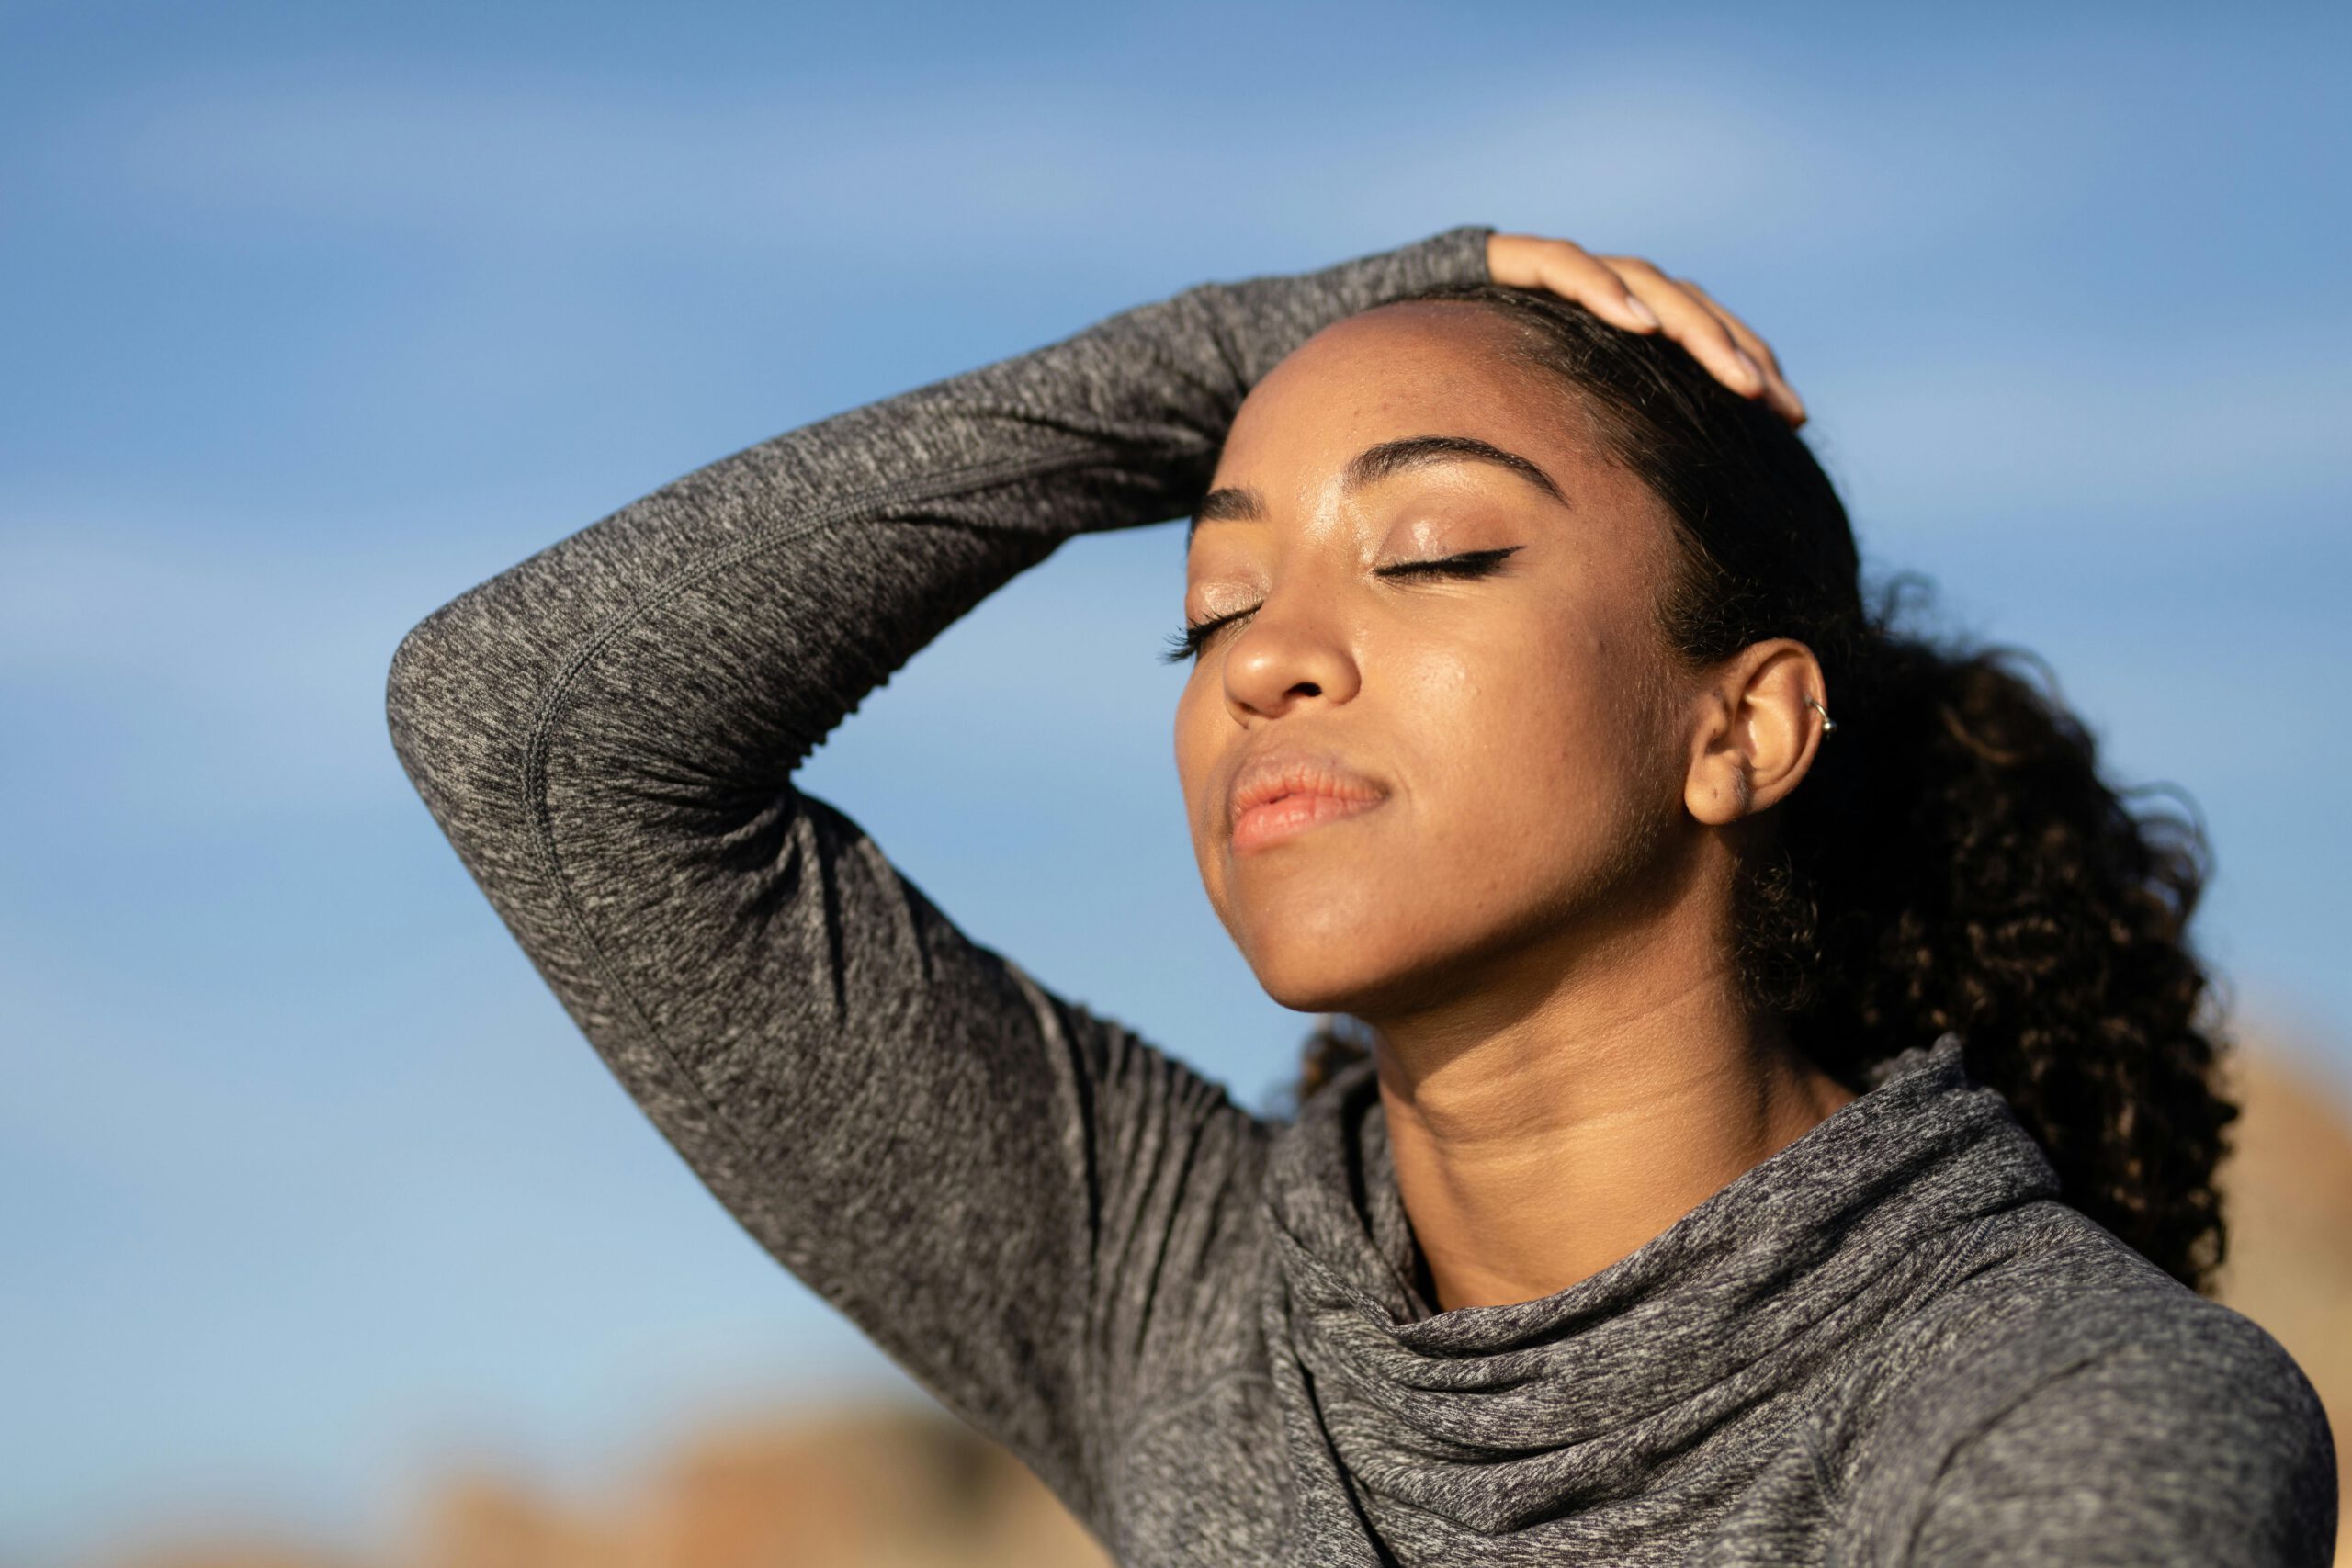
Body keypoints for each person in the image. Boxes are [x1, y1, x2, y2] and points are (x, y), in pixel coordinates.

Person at [384, 225, 2338, 1565]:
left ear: (1739, 726)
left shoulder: (2068, 1414)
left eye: (1424, 552)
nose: (1262, 659)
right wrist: (1239, 357)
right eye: (1212, 603)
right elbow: (535, 731)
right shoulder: (1183, 1294)